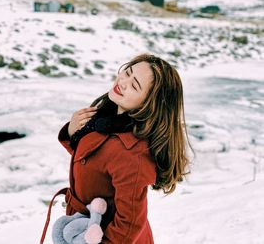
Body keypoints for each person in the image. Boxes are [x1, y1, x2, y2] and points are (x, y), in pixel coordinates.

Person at [40, 53, 191, 243]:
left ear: (149, 104)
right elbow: (95, 163)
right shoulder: (107, 120)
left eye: (134, 85)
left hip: (100, 236)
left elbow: (129, 226)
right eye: (127, 72)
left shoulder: (132, 153)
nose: (123, 81)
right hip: (84, 228)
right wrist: (73, 133)